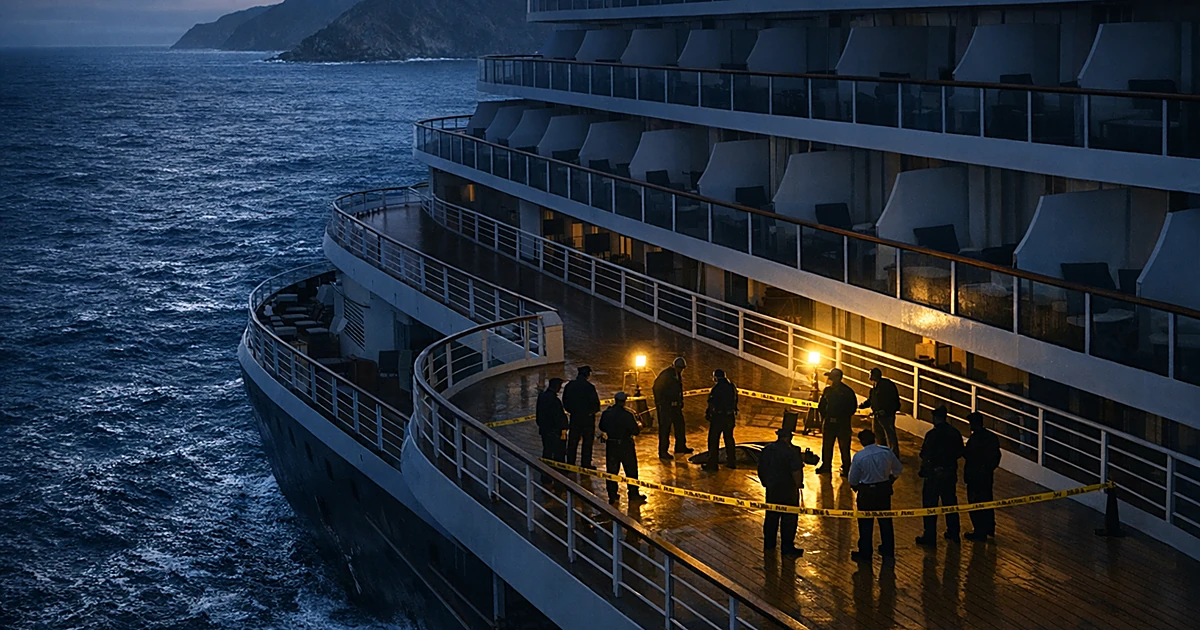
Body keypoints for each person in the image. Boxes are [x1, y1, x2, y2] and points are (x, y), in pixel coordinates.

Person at [848, 429, 903, 563]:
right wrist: (890, 479)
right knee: (885, 522)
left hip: (867, 493)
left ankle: (865, 553)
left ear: (862, 442)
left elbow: (852, 480)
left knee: (866, 523)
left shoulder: (859, 456)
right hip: (884, 491)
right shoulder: (886, 452)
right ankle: (888, 550)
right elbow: (898, 469)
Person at [916, 405, 965, 546]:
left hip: (933, 475)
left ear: (935, 418)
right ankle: (954, 532)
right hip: (949, 473)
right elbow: (960, 452)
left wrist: (926, 469)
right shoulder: (955, 433)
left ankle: (929, 536)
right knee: (950, 504)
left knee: (930, 506)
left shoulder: (932, 434)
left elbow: (925, 454)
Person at [757, 415, 805, 556]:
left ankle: (769, 544)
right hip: (788, 490)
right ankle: (787, 547)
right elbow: (796, 471)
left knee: (771, 517)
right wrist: (799, 484)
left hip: (772, 489)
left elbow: (760, 468)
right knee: (789, 519)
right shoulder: (791, 452)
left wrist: (765, 482)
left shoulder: (767, 449)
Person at [598, 392, 646, 505]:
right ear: (624, 401)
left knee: (612, 471)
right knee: (631, 470)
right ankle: (633, 494)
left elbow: (602, 426)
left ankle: (612, 495)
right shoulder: (628, 415)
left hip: (612, 445)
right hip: (626, 445)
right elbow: (635, 431)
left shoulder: (607, 413)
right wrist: (639, 425)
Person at [963, 412, 1002, 541]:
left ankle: (979, 531)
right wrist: (988, 469)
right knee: (987, 501)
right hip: (986, 476)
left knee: (975, 504)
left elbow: (969, 455)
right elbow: (996, 456)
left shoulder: (975, 440)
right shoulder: (991, 437)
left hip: (975, 477)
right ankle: (990, 528)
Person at [815, 368, 857, 477]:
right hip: (830, 422)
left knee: (844, 447)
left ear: (838, 377)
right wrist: (826, 417)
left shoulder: (847, 392)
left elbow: (852, 408)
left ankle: (846, 467)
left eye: (832, 377)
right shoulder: (828, 390)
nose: (829, 379)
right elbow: (822, 406)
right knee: (827, 445)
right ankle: (826, 465)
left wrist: (840, 417)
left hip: (842, 423)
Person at [562, 365, 601, 469]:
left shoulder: (570, 386)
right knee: (587, 443)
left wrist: (572, 411)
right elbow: (596, 404)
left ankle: (570, 463)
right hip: (587, 419)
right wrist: (591, 412)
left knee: (573, 442)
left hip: (575, 418)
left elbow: (565, 401)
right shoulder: (589, 387)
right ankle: (586, 464)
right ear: (587, 375)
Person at [653, 357, 692, 459]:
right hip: (666, 408)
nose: (681, 370)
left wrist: (680, 401)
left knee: (680, 426)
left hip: (675, 407)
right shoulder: (665, 375)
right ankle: (663, 452)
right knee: (665, 429)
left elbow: (678, 390)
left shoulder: (677, 375)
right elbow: (656, 388)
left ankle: (680, 446)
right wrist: (661, 403)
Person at [859, 367, 901, 457]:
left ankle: (893, 454)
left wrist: (886, 411)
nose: (869, 376)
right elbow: (871, 400)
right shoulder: (874, 387)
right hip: (877, 415)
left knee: (889, 434)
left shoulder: (886, 386)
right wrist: (862, 405)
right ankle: (883, 452)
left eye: (870, 374)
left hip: (886, 415)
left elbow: (892, 400)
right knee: (879, 435)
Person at [702, 369, 738, 471]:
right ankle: (731, 461)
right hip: (730, 417)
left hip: (719, 418)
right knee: (729, 439)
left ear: (716, 378)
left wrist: (709, 414)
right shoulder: (732, 387)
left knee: (713, 440)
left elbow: (712, 404)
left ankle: (712, 464)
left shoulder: (716, 389)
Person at [536, 378, 569, 465]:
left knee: (547, 451)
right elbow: (559, 417)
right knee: (559, 453)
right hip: (555, 431)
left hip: (544, 430)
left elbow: (538, 414)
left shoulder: (542, 397)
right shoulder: (555, 400)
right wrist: (564, 428)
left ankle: (546, 472)